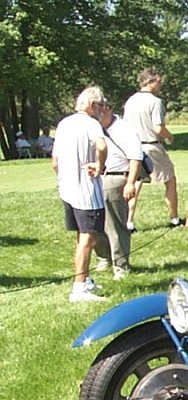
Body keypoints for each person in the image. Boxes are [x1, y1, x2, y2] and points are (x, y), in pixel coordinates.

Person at [52, 86, 108, 303]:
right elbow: (102, 146)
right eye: (101, 105)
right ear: (92, 105)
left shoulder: (64, 124)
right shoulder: (91, 124)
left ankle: (84, 278)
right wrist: (99, 166)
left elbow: (55, 162)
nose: (102, 110)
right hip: (87, 191)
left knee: (80, 235)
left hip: (67, 189)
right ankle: (79, 288)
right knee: (89, 237)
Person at [123, 67, 181, 230]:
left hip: (134, 147)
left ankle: (128, 222)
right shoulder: (155, 102)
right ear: (150, 81)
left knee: (135, 182)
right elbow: (158, 128)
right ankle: (174, 218)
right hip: (151, 145)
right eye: (159, 82)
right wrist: (169, 136)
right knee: (170, 179)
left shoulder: (131, 101)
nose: (160, 85)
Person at [95, 101, 142, 281]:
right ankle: (104, 257)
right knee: (97, 223)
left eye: (101, 109)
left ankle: (121, 266)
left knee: (115, 225)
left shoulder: (124, 128)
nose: (98, 114)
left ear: (108, 109)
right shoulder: (94, 128)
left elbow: (135, 158)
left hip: (116, 178)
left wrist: (130, 183)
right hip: (98, 177)